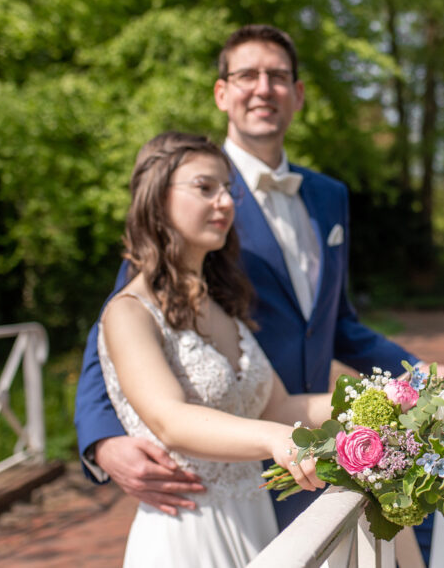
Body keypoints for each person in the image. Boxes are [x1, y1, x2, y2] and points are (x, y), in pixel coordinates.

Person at [74, 24, 444, 562]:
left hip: (308, 451)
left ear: (298, 94)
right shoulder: (186, 192)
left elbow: (339, 325)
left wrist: (412, 382)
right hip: (222, 480)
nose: (263, 88)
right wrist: (102, 440)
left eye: (278, 76)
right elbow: (120, 330)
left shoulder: (328, 198)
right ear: (222, 93)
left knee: (436, 539)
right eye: (246, 75)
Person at [95, 131, 331, 567]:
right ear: (156, 197)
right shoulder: (128, 313)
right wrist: (276, 440)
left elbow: (278, 406)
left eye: (227, 189)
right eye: (205, 188)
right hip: (187, 534)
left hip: (256, 527)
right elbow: (170, 420)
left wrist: (374, 402)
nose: (224, 202)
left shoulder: (225, 308)